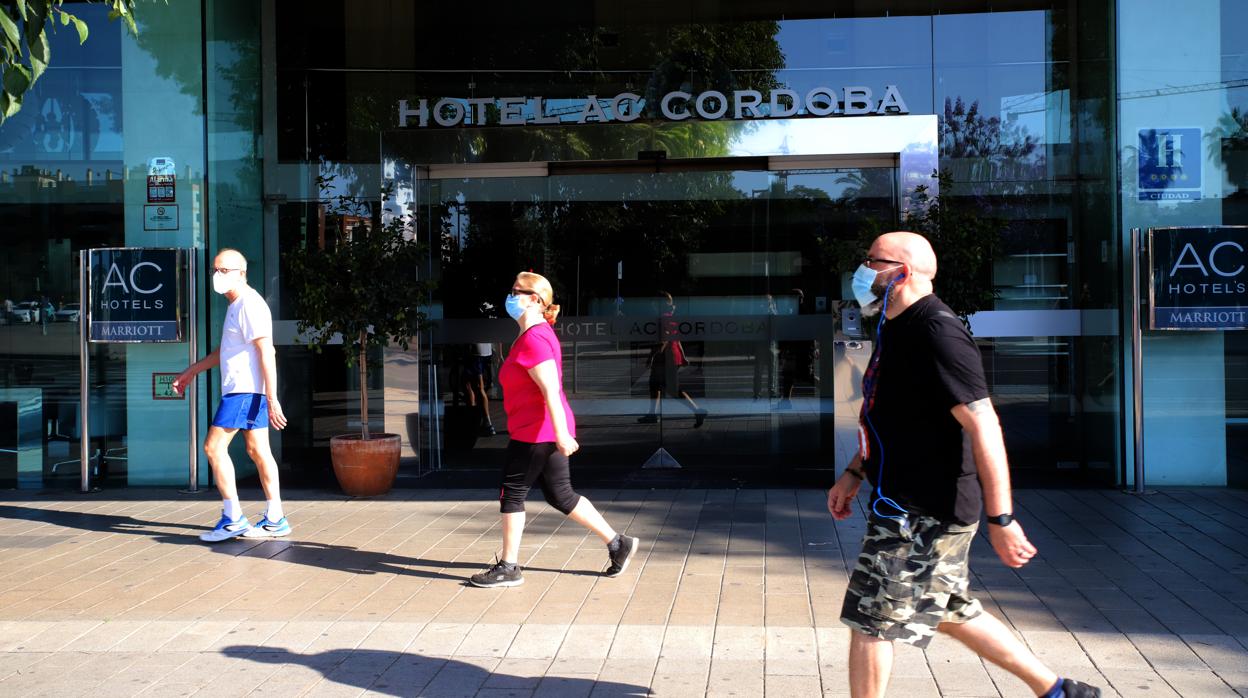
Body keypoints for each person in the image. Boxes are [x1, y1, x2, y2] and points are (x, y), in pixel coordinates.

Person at [826, 232, 1101, 698]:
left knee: (871, 620)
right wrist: (855, 471)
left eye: (872, 261)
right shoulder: (894, 323)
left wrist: (1002, 518)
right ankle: (1058, 691)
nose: (863, 270)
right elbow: (889, 414)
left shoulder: (937, 331)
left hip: (921, 508)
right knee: (950, 611)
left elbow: (984, 426)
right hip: (903, 496)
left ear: (903, 272)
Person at [470, 271, 638, 588]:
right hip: (540, 429)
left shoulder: (534, 339)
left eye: (515, 291)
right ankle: (618, 543)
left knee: (512, 492)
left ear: (535, 299)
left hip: (536, 431)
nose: (510, 296)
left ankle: (508, 567)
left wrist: (561, 433)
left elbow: (550, 389)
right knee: (561, 495)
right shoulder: (533, 334)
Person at [172, 249, 290, 542]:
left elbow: (267, 351)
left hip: (244, 391)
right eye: (216, 270)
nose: (218, 276)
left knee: (213, 448)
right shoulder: (236, 305)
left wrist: (272, 398)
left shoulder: (249, 304)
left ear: (242, 272)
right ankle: (275, 518)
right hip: (248, 391)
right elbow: (225, 352)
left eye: (224, 271)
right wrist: (192, 371)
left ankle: (233, 518)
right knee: (258, 451)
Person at [637, 291, 707, 427]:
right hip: (671, 355)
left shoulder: (663, 318)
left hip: (666, 357)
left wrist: (652, 356)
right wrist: (683, 355)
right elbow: (676, 338)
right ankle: (652, 414)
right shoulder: (670, 317)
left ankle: (698, 411)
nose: (652, 304)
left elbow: (665, 339)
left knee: (672, 389)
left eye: (654, 302)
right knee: (655, 384)